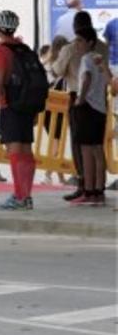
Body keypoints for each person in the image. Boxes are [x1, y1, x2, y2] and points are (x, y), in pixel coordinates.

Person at [52, 10, 110, 201]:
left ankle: (85, 185)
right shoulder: (103, 47)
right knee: (97, 147)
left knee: (81, 146)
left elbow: (58, 71)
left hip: (80, 98)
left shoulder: (72, 49)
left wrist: (80, 100)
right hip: (100, 99)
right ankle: (99, 187)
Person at [0, 10, 41, 211]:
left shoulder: (1, 51)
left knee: (14, 151)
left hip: (10, 104)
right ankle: (26, 195)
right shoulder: (24, 49)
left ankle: (19, 195)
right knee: (27, 150)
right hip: (28, 104)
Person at [69, 26, 109, 206]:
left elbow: (86, 78)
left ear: (89, 42)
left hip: (87, 107)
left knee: (86, 152)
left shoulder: (86, 59)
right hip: (100, 108)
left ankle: (89, 190)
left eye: (79, 41)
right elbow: (108, 80)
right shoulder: (100, 60)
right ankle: (99, 191)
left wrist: (80, 99)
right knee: (98, 151)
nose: (76, 44)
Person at [41, 36, 69, 186]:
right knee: (57, 143)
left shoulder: (46, 65)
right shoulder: (61, 66)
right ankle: (48, 174)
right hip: (59, 108)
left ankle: (61, 177)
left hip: (47, 108)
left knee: (55, 141)